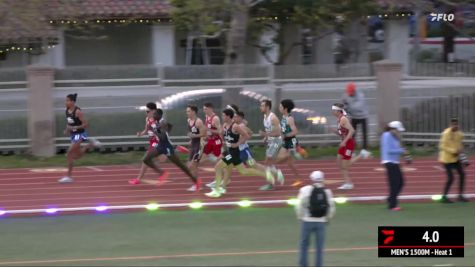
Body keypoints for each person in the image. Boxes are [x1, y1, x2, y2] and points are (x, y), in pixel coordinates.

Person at [205, 108, 270, 198]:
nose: (222, 117)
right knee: (243, 171)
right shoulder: (224, 125)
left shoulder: (235, 126)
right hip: (229, 151)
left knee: (218, 167)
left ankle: (217, 190)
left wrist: (237, 143)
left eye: (224, 115)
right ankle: (266, 174)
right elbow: (222, 133)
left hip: (234, 153)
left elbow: (246, 135)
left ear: (228, 116)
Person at [142, 109, 201, 191]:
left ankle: (196, 181)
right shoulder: (158, 123)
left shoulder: (162, 123)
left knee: (181, 166)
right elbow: (170, 126)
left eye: (155, 114)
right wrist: (162, 130)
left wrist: (155, 131)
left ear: (159, 115)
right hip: (160, 146)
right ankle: (162, 173)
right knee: (146, 159)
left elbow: (162, 137)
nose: (153, 115)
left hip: (167, 147)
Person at [296, 171, 335, 267]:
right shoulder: (327, 192)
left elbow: (299, 205)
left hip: (307, 221)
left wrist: (300, 217)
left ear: (312, 179)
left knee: (304, 245)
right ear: (322, 179)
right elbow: (331, 207)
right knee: (319, 247)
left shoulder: (304, 190)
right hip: (321, 222)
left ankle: (303, 265)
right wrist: (327, 219)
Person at [59, 94, 101, 183]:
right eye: (65, 100)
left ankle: (69, 177)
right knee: (78, 156)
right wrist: (67, 130)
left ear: (73, 102)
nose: (65, 102)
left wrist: (75, 128)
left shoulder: (78, 112)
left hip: (81, 134)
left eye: (67, 100)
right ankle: (90, 144)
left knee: (69, 153)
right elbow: (70, 123)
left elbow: (86, 124)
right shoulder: (66, 111)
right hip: (74, 136)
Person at [331, 103, 370, 190]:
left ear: (338, 111)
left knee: (345, 166)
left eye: (334, 110)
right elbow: (343, 133)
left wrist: (344, 142)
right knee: (339, 161)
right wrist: (334, 131)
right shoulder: (339, 120)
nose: (332, 112)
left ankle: (348, 183)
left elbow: (352, 131)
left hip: (348, 144)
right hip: (344, 143)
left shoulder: (343, 119)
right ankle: (346, 182)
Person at [128, 102, 163, 185]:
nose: (146, 113)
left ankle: (139, 179)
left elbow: (161, 133)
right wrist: (141, 134)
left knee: (146, 160)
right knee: (150, 160)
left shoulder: (157, 121)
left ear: (154, 111)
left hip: (157, 142)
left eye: (148, 111)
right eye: (145, 111)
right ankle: (160, 173)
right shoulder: (147, 119)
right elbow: (146, 130)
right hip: (152, 142)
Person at [438, 118, 469, 203]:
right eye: (454, 124)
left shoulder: (460, 134)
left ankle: (460, 195)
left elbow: (460, 146)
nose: (455, 126)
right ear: (451, 125)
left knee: (462, 175)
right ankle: (444, 197)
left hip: (456, 158)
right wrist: (453, 151)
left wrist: (464, 159)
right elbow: (442, 146)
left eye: (457, 124)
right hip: (446, 159)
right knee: (451, 178)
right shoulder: (446, 133)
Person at [259, 100, 285, 190]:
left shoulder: (273, 117)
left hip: (277, 141)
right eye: (261, 105)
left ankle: (274, 180)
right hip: (271, 141)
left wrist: (265, 135)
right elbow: (269, 130)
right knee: (267, 162)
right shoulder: (265, 117)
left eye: (262, 106)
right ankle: (276, 177)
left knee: (267, 162)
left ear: (267, 107)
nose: (260, 107)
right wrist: (265, 138)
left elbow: (278, 132)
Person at [380, 121, 407, 211]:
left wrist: (404, 153)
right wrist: (401, 151)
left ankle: (391, 199)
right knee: (394, 184)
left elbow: (396, 148)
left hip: (395, 162)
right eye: (398, 130)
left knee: (401, 182)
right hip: (389, 162)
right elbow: (389, 150)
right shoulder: (387, 135)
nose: (399, 132)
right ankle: (392, 205)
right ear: (393, 129)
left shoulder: (394, 136)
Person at [341, 82, 371, 155]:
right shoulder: (346, 95)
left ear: (354, 91)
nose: (349, 94)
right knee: (352, 134)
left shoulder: (360, 96)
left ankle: (364, 150)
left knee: (364, 134)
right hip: (353, 117)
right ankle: (351, 150)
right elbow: (343, 103)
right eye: (349, 92)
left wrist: (347, 107)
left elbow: (358, 107)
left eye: (351, 92)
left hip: (363, 116)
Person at [186, 105, 207, 191]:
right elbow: (192, 132)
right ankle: (197, 183)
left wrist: (194, 136)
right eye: (187, 111)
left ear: (193, 112)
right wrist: (191, 139)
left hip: (199, 145)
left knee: (193, 165)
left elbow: (204, 134)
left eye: (188, 111)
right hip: (193, 145)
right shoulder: (188, 120)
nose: (187, 113)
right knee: (189, 166)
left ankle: (196, 185)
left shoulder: (198, 122)